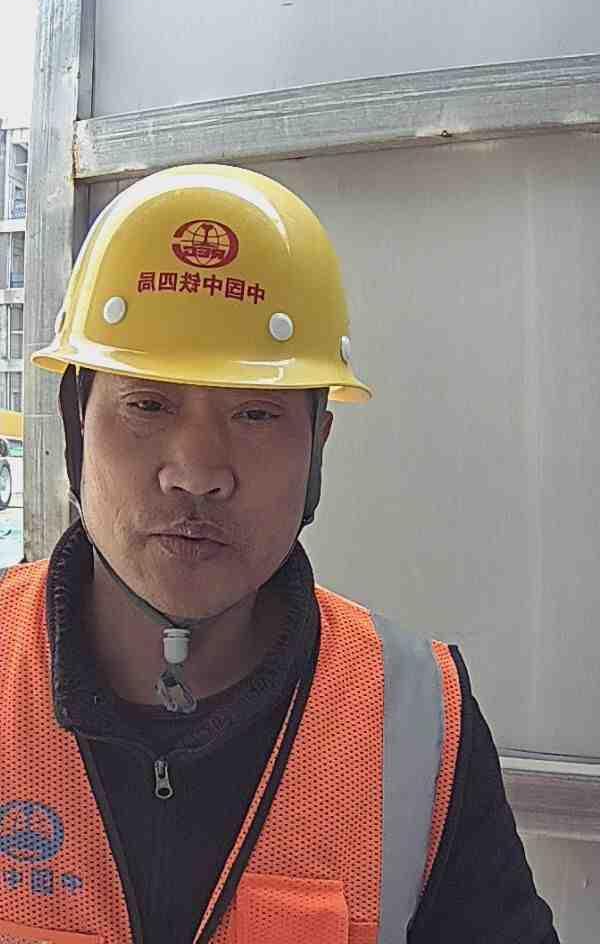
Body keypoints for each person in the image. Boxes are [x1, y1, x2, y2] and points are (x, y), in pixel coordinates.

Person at [0, 165, 559, 944]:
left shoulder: (417, 719)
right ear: (76, 420)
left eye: (256, 414)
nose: (197, 472)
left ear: (317, 445)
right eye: (147, 404)